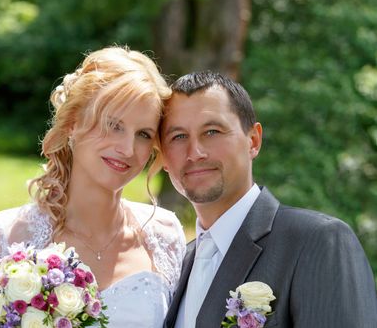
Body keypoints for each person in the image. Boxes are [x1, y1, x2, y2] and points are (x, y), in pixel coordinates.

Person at [0, 46, 186, 327]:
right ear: (73, 123)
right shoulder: (7, 235)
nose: (127, 148)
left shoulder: (165, 236)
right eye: (113, 125)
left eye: (144, 134)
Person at [161, 70, 377, 328]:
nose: (194, 152)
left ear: (253, 140)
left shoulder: (319, 241)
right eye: (178, 137)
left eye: (212, 132)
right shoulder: (176, 265)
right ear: (163, 157)